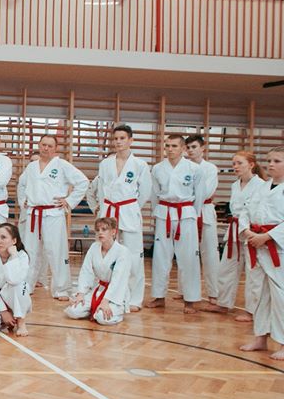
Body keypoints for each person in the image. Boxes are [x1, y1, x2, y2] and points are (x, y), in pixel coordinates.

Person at [86, 124, 151, 311]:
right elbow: (100, 190)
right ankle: (107, 294)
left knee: (134, 257)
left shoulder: (140, 165)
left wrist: (131, 208)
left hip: (128, 210)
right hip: (109, 210)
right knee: (106, 254)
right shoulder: (105, 164)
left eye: (122, 138)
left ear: (131, 140)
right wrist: (102, 212)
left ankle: (134, 299)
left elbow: (145, 192)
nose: (118, 142)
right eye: (115, 139)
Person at [20, 135, 88, 300]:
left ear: (55, 148)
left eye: (50, 146)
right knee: (30, 251)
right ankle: (26, 286)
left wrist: (69, 201)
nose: (46, 148)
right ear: (39, 145)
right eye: (43, 144)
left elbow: (83, 182)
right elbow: (21, 185)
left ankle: (61, 289)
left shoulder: (62, 165)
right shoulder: (31, 167)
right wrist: (24, 201)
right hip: (34, 213)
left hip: (53, 213)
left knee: (57, 251)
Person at [146, 134, 204, 313]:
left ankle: (190, 299)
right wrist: (157, 213)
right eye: (168, 146)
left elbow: (199, 195)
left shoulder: (194, 169)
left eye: (174, 146)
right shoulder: (157, 168)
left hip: (186, 214)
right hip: (164, 213)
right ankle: (159, 296)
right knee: (160, 256)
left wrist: (193, 214)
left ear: (183, 149)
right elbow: (154, 194)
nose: (170, 149)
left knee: (188, 258)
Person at [238, 146, 284, 360]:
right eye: (269, 160)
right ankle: (260, 337)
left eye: (277, 161)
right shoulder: (262, 188)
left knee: (280, 297)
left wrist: (267, 236)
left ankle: (283, 342)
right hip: (257, 245)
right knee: (260, 294)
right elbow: (245, 211)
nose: (271, 164)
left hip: (277, 249)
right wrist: (247, 231)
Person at [217, 152, 265, 320]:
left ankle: (251, 311)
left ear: (251, 165)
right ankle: (223, 303)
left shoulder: (261, 185)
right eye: (234, 163)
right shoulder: (235, 185)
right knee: (226, 268)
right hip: (234, 230)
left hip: (251, 231)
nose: (235, 166)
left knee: (252, 272)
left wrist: (249, 230)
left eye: (239, 163)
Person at [64, 217, 130, 325]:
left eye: (104, 229)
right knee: (73, 311)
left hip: (116, 293)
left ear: (113, 232)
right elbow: (86, 271)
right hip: (99, 289)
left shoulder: (122, 252)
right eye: (98, 230)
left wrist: (106, 300)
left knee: (102, 318)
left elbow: (118, 280)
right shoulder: (94, 247)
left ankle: (118, 312)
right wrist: (81, 294)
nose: (100, 232)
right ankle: (93, 308)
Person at [186, 134, 221, 307]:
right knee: (186, 254)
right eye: (188, 148)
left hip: (205, 212)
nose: (191, 150)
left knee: (210, 254)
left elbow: (207, 192)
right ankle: (185, 291)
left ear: (202, 148)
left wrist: (189, 195)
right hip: (187, 212)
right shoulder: (184, 167)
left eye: (194, 147)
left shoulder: (210, 168)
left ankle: (214, 293)